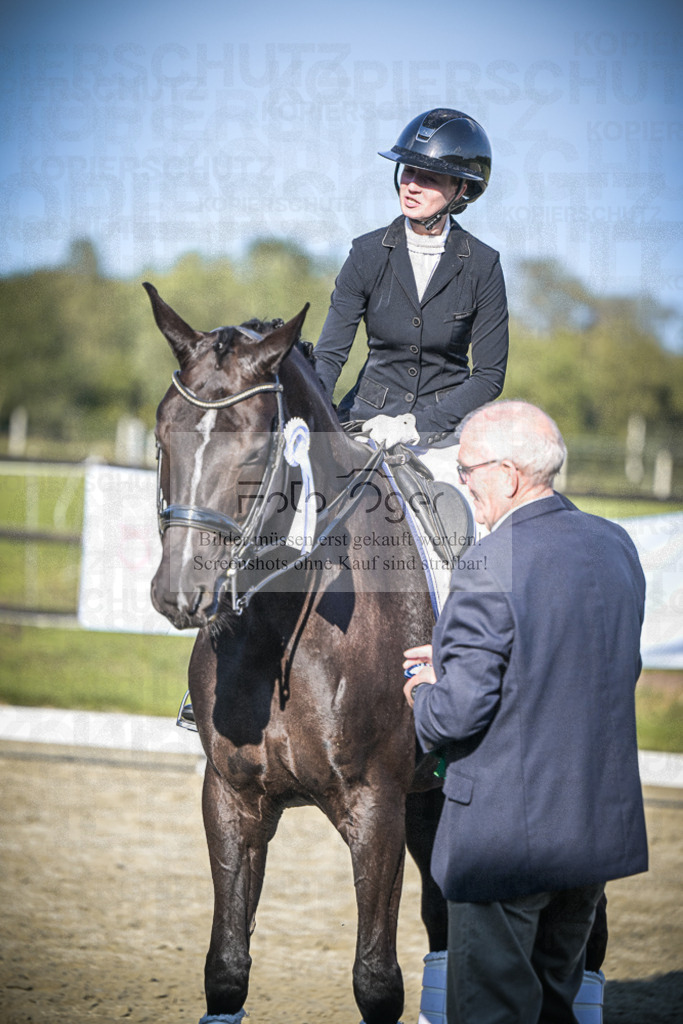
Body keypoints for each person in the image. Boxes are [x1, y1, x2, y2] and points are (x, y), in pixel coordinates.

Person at [403, 400, 648, 1024]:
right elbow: (588, 664)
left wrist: (424, 689)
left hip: (507, 840)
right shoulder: (615, 544)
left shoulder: (490, 559)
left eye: (466, 469)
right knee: (553, 1009)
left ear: (508, 475)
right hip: (589, 833)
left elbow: (456, 715)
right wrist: (458, 652)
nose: (461, 483)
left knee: (493, 1011)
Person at [314, 108, 509, 454]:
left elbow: (489, 375)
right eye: (408, 171)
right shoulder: (366, 253)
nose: (412, 186)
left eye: (430, 178)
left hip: (445, 435)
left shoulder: (483, 265)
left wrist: (419, 424)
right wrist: (310, 416)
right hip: (365, 421)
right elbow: (329, 356)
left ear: (461, 188)